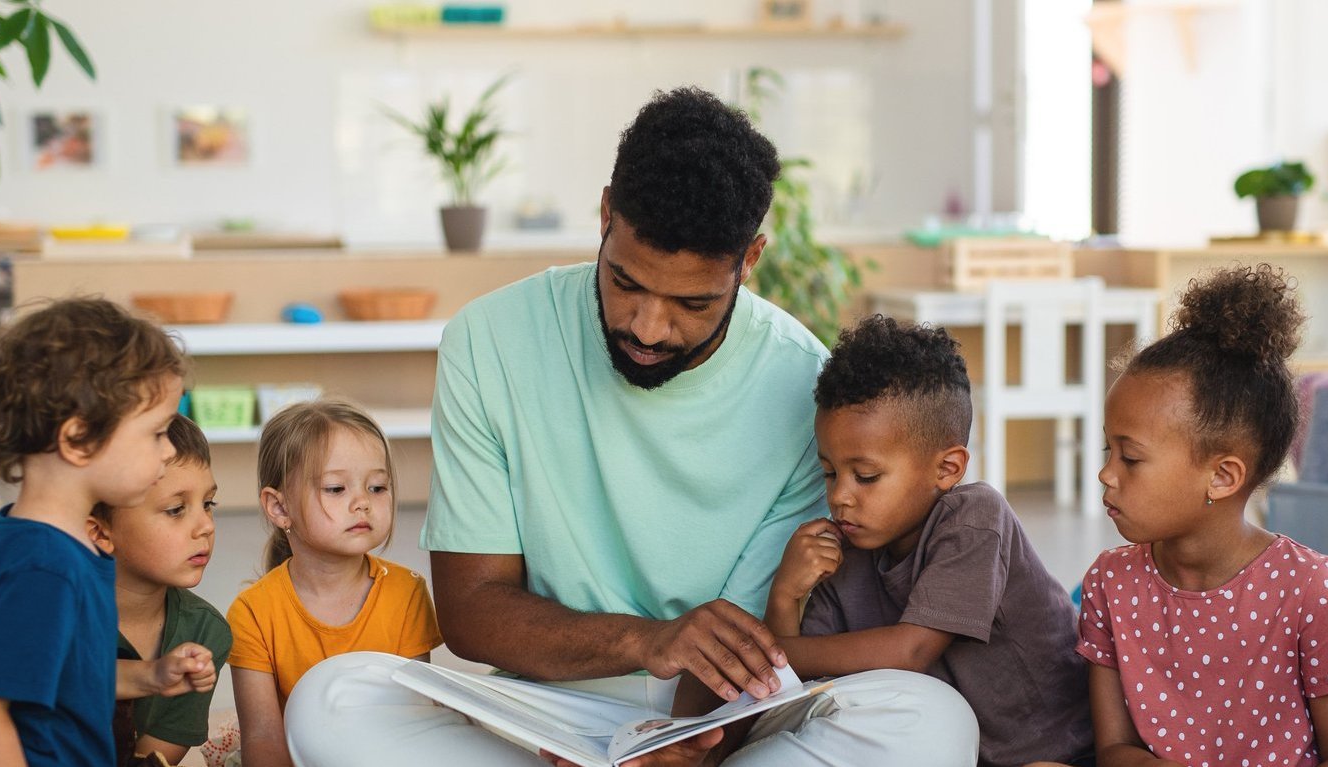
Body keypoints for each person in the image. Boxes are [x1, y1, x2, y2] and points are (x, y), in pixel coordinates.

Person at [284, 86, 977, 767]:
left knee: (930, 719)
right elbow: (470, 611)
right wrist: (648, 640)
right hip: (545, 712)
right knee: (330, 698)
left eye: (691, 302)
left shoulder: (804, 384)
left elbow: (758, 639)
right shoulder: (489, 339)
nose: (647, 328)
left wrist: (687, 749)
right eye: (626, 283)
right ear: (605, 214)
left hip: (726, 719)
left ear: (750, 259)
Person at [1066, 265, 1328, 767]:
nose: (1106, 474)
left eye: (1130, 457)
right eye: (1109, 449)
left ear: (1222, 477)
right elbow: (1115, 750)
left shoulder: (1310, 590)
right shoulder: (1110, 582)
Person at [767, 315, 1096, 767]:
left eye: (866, 476)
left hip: (1064, 751)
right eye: (830, 472)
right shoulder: (841, 553)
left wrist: (771, 654)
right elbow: (797, 696)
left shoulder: (975, 518)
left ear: (947, 469)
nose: (840, 496)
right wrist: (786, 595)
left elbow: (911, 650)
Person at [0, 298, 189, 767]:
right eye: (157, 433)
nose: (168, 452)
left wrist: (149, 677)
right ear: (78, 439)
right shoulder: (46, 567)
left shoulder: (53, 541)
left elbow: (66, 672)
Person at [0, 417, 230, 767]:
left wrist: (152, 676)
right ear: (101, 531)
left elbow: (148, 759)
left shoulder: (203, 633)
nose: (206, 526)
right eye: (175, 510)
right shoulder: (50, 588)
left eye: (208, 504)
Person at [227, 400, 441, 767]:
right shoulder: (252, 613)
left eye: (377, 487)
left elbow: (415, 719)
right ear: (279, 508)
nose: (362, 503)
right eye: (336, 488)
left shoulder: (408, 593)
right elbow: (263, 736)